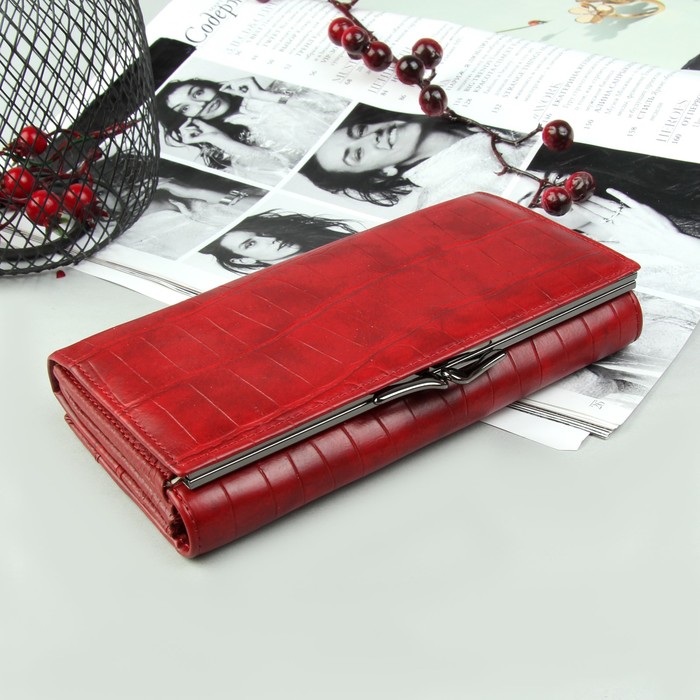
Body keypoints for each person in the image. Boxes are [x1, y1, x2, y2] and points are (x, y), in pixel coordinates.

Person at [300, 103, 528, 207]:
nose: (372, 137)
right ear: (382, 174)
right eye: (358, 153)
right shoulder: (447, 202)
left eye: (359, 131)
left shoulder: (464, 110)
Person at [156, 76, 348, 178]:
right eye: (185, 108)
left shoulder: (274, 92)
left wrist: (266, 97)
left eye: (198, 93)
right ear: (184, 120)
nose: (202, 103)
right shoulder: (225, 150)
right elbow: (283, 170)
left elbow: (337, 108)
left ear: (210, 86)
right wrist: (215, 137)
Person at [200, 210, 358, 275]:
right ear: (244, 260)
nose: (270, 238)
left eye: (262, 233)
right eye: (251, 244)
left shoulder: (342, 248)